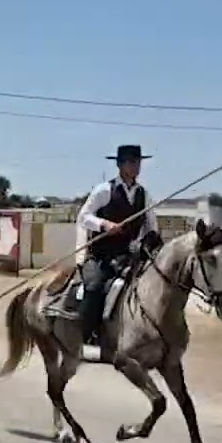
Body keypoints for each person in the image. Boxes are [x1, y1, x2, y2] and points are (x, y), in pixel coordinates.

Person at [75, 145, 161, 347]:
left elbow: (152, 227)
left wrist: (146, 242)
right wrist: (104, 224)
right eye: (131, 162)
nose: (136, 166)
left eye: (138, 162)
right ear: (120, 165)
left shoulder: (144, 195)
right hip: (100, 257)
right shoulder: (104, 190)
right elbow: (83, 217)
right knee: (95, 287)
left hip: (129, 258)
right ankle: (88, 333)